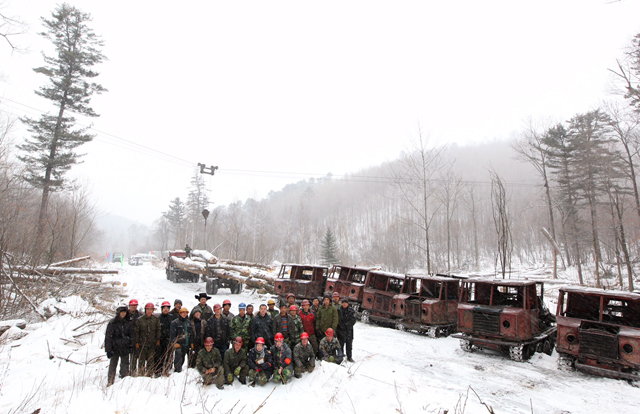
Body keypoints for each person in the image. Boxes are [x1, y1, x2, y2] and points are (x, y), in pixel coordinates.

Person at [105, 305, 134, 386]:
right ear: (118, 313)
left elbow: (132, 335)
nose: (123, 314)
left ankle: (124, 382)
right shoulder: (112, 322)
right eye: (121, 312)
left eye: (124, 312)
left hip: (125, 346)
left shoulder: (129, 322)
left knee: (125, 365)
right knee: (113, 365)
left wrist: (131, 345)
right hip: (115, 347)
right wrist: (108, 349)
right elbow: (108, 336)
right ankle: (110, 381)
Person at [135, 302, 161, 377]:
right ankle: (141, 374)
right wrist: (137, 342)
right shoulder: (140, 320)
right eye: (148, 309)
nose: (149, 311)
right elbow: (137, 332)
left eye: (151, 309)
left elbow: (158, 330)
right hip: (142, 343)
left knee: (151, 359)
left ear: (153, 310)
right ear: (145, 310)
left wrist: (158, 340)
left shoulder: (156, 319)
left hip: (152, 343)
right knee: (141, 360)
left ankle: (149, 374)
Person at [170, 307, 195, 373]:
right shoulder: (175, 323)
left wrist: (192, 342)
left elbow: (191, 333)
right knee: (179, 359)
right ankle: (177, 371)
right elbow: (172, 335)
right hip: (179, 345)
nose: (184, 314)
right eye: (182, 313)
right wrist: (174, 343)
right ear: (180, 314)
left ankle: (190, 371)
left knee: (190, 358)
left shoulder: (188, 322)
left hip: (187, 344)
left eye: (185, 313)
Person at [156, 301, 173, 376]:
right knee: (160, 356)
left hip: (169, 340)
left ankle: (167, 369)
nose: (166, 309)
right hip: (161, 340)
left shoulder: (171, 318)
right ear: (162, 309)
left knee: (169, 355)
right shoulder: (158, 318)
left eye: (167, 308)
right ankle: (158, 370)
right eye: (164, 308)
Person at [128, 299, 141, 374]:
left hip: (137, 338)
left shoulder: (140, 316)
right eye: (132, 305)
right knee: (126, 358)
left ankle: (136, 371)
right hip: (127, 339)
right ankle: (127, 372)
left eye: (135, 305)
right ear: (129, 306)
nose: (133, 307)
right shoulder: (125, 315)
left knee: (136, 356)